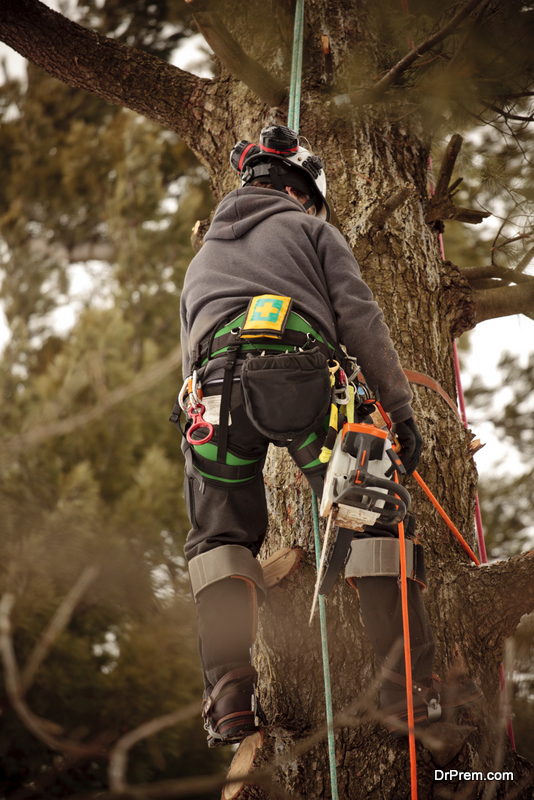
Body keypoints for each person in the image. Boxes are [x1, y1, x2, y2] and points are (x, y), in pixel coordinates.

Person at [172, 125, 481, 748]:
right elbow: (359, 319)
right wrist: (398, 410)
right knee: (373, 522)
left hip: (211, 396)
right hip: (301, 376)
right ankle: (405, 691)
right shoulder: (312, 230)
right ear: (301, 189)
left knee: (220, 542)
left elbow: (191, 353)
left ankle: (230, 698)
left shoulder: (201, 259)